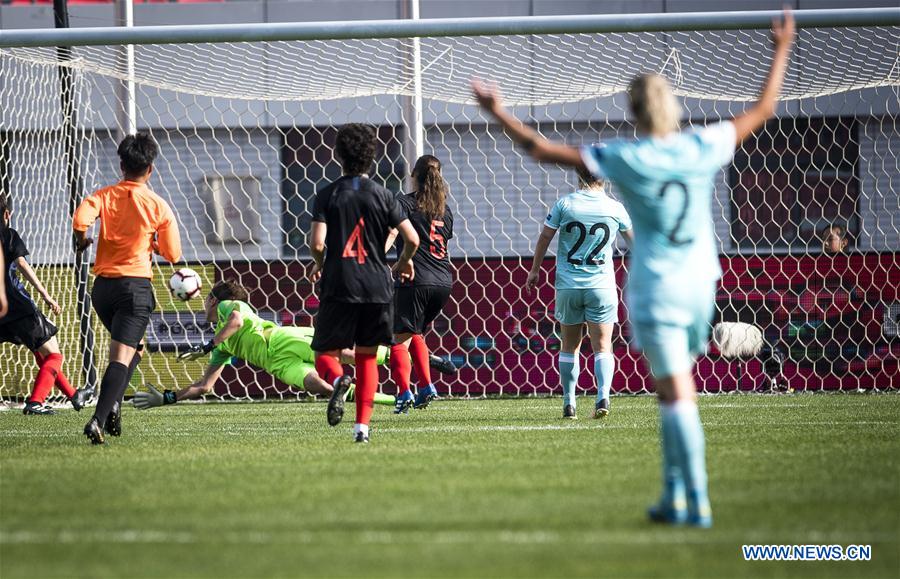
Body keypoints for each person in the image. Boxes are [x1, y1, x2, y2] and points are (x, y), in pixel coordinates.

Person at [473, 9, 794, 527]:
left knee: (674, 394)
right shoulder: (701, 143)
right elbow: (764, 107)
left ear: (634, 113)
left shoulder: (626, 156)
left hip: (657, 288)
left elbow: (539, 149)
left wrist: (498, 110)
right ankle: (673, 495)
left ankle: (696, 499)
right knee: (675, 389)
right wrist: (781, 48)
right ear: (674, 109)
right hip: (700, 285)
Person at [133, 280, 410, 408]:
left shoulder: (231, 306)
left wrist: (208, 345)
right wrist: (168, 398)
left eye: (207, 299)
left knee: (347, 354)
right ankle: (390, 398)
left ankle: (399, 355)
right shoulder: (223, 347)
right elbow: (205, 386)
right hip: (276, 364)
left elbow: (238, 321)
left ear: (215, 301)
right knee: (318, 385)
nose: (204, 302)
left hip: (282, 339)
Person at [309, 123, 419, 443]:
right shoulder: (385, 195)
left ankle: (339, 380)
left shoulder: (327, 194)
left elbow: (317, 244)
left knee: (325, 356)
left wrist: (320, 265)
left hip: (340, 282)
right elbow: (410, 238)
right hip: (376, 284)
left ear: (337, 154)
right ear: (372, 156)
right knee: (367, 357)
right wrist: (402, 262)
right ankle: (362, 429)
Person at [72, 133, 182, 444]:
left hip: (103, 290)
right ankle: (98, 419)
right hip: (134, 289)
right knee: (121, 357)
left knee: (135, 350)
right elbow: (174, 254)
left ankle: (115, 403)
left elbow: (81, 220)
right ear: (151, 169)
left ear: (122, 165)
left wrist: (83, 241)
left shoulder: (104, 196)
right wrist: (154, 245)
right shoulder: (158, 206)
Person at [526, 169, 632, 420]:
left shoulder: (565, 204)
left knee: (569, 346)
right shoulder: (614, 208)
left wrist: (534, 270)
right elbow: (635, 241)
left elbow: (544, 237)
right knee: (603, 346)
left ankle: (569, 403)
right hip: (602, 287)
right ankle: (602, 396)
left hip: (569, 285)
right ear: (604, 177)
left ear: (578, 175)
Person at [386, 155, 456, 414]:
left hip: (414, 279)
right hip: (443, 282)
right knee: (415, 333)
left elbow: (393, 232)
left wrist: (377, 259)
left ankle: (404, 392)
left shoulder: (403, 202)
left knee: (399, 341)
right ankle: (426, 387)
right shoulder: (445, 209)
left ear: (413, 175)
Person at [0, 194, 81, 414]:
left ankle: (73, 395)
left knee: (42, 352)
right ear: (7, 214)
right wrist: (45, 294)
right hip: (18, 306)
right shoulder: (8, 235)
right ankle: (35, 402)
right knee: (54, 355)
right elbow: (22, 264)